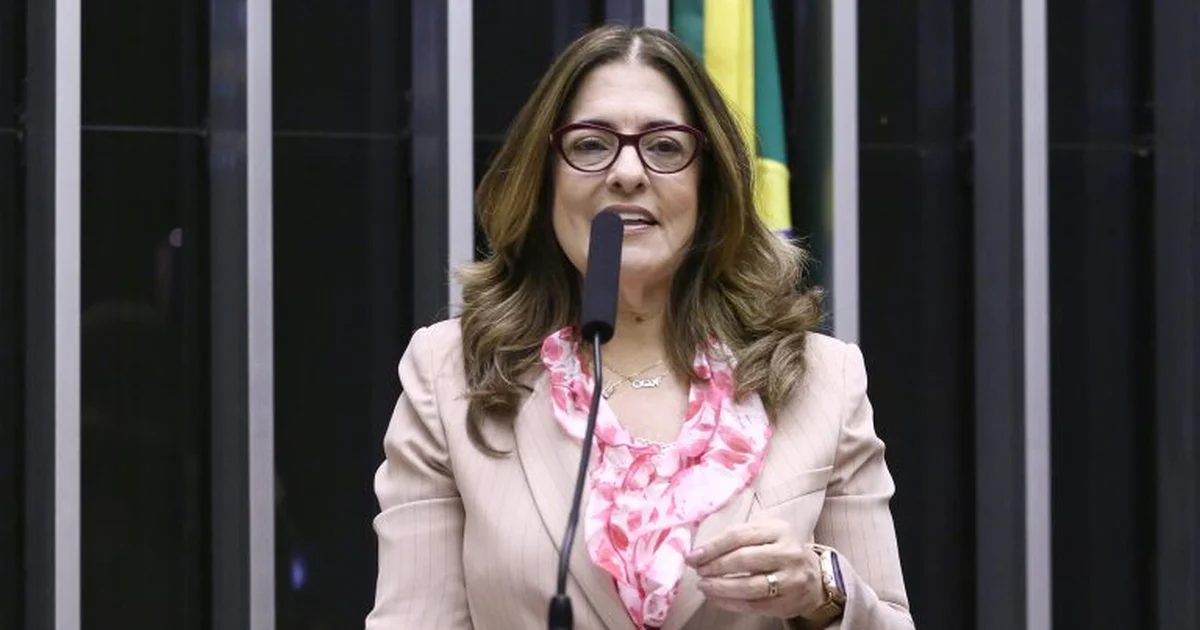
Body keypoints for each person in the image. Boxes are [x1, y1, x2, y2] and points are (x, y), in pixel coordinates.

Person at [366, 24, 914, 630]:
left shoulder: (822, 378)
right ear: (545, 178)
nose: (627, 172)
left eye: (665, 147)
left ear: (709, 183)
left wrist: (821, 591)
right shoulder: (451, 374)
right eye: (591, 144)